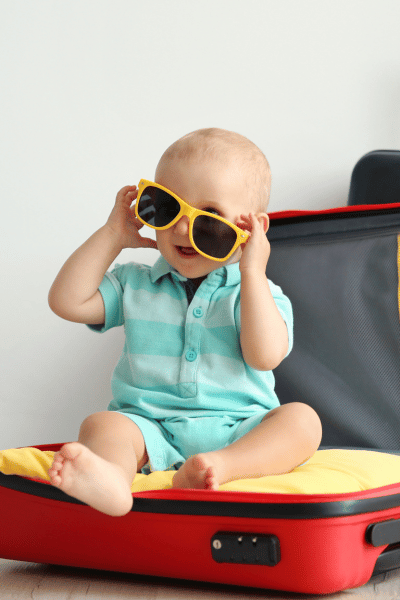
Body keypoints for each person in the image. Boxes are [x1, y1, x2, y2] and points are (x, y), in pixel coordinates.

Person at [47, 128, 322, 516]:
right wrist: (112, 235)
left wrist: (253, 272)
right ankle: (111, 478)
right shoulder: (134, 283)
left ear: (252, 230)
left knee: (302, 421)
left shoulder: (259, 292)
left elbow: (265, 356)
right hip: (149, 426)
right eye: (167, 207)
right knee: (102, 424)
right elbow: (66, 301)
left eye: (208, 219)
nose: (181, 229)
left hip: (239, 430)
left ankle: (221, 468)